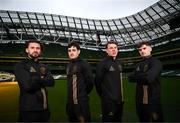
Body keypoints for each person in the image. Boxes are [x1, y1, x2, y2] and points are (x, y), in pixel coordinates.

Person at [14, 40, 55, 122]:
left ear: (40, 51)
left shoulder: (44, 66)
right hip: (29, 110)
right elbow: (28, 86)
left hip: (45, 109)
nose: (35, 50)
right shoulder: (21, 65)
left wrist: (35, 78)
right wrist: (42, 78)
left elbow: (51, 82)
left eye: (38, 48)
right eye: (32, 48)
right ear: (27, 50)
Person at [128, 41, 164, 122]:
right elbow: (130, 78)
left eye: (144, 48)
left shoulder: (156, 62)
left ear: (150, 48)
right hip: (139, 101)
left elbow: (149, 79)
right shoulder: (137, 65)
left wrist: (138, 76)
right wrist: (144, 75)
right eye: (140, 50)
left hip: (153, 101)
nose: (142, 51)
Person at [95, 40, 124, 122]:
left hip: (120, 101)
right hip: (108, 102)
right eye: (111, 48)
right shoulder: (102, 63)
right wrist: (104, 95)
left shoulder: (119, 63)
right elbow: (97, 82)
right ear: (107, 50)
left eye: (115, 48)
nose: (114, 49)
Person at [66, 41, 94, 122]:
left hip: (81, 103)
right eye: (69, 50)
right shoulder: (68, 65)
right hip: (70, 104)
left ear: (78, 51)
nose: (71, 52)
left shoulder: (84, 64)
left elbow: (90, 82)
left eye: (74, 50)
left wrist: (82, 94)